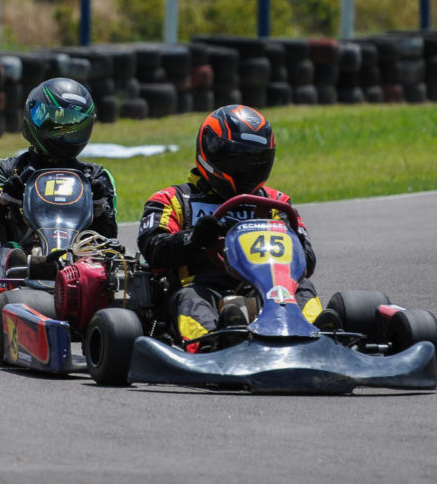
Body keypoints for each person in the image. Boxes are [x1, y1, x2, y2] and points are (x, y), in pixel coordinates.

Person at [137, 104, 338, 352]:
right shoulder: (173, 199)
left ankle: (318, 336)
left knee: (302, 288)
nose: (248, 171)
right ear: (211, 153)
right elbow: (153, 251)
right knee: (192, 298)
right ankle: (212, 345)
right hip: (204, 286)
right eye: (239, 163)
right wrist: (194, 237)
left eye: (257, 162)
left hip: (269, 289)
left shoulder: (277, 203)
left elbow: (306, 261)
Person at [0, 77, 118, 283]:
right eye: (56, 122)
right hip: (21, 258)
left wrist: (100, 208)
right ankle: (3, 293)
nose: (65, 132)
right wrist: (2, 199)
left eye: (73, 125)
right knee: (8, 253)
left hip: (77, 258)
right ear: (34, 116)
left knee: (103, 258)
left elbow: (108, 237)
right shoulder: (5, 169)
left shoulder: (96, 177)